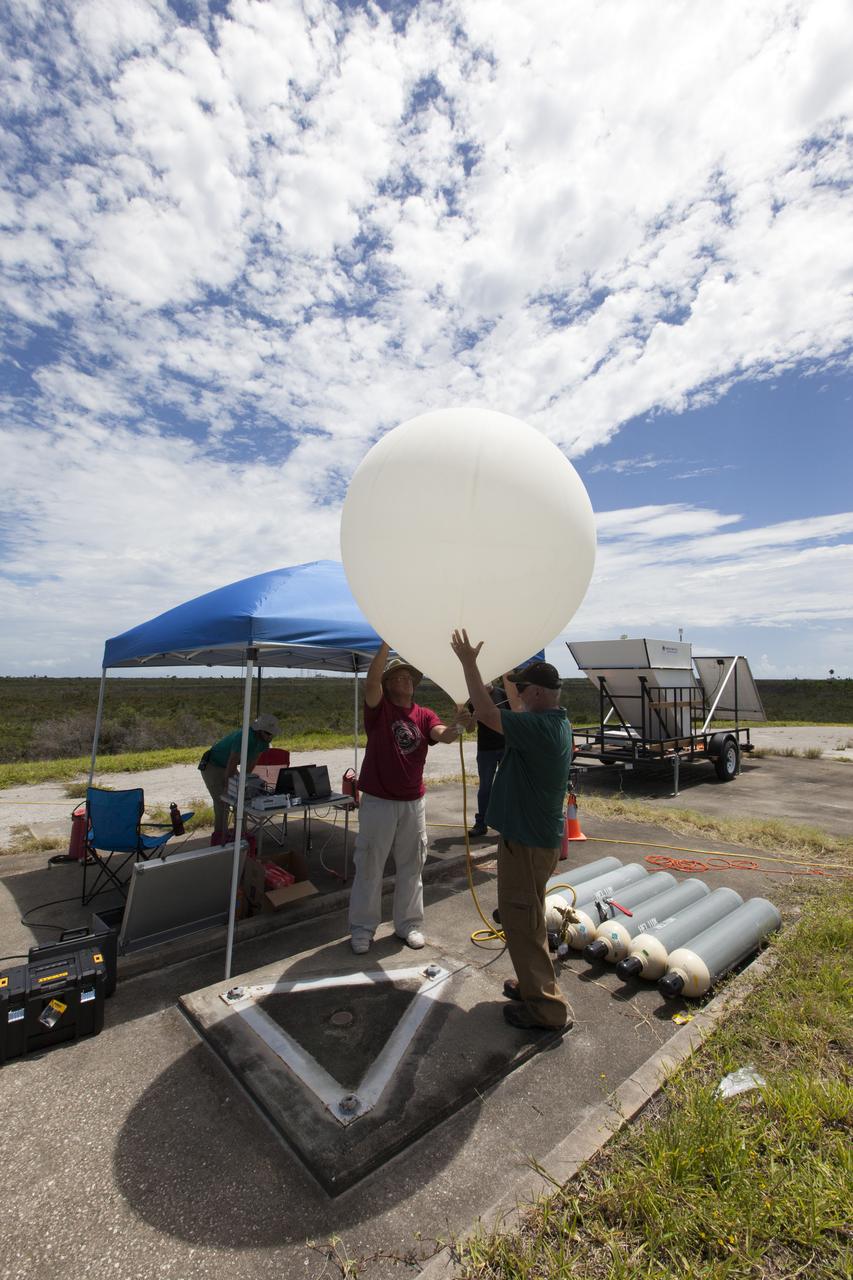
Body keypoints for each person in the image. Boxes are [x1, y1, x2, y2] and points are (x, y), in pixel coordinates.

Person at [451, 631, 572, 1031]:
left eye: (522, 690)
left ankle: (546, 1009)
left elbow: (488, 715)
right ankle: (532, 984)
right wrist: (507, 675)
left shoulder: (538, 729)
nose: (517, 695)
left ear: (537, 692)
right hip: (537, 840)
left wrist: (469, 664)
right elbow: (515, 704)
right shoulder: (553, 721)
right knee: (530, 918)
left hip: (527, 842)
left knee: (521, 920)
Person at [348, 641, 465, 955]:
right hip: (378, 801)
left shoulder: (424, 714)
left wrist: (459, 725)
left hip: (413, 802)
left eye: (409, 677)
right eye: (397, 677)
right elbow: (370, 682)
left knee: (412, 866)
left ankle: (409, 925)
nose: (405, 680)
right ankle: (362, 929)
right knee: (370, 865)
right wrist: (388, 641)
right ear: (388, 684)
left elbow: (443, 734)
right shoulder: (380, 709)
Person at [199, 712, 279, 839]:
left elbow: (251, 763)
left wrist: (245, 782)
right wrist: (227, 785)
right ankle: (220, 837)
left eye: (272, 734)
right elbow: (232, 762)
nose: (270, 737)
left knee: (243, 800)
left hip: (228, 766)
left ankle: (240, 834)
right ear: (259, 730)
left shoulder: (264, 742)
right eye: (268, 733)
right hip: (212, 765)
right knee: (222, 802)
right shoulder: (244, 737)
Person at [467, 681, 509, 838]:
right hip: (485, 750)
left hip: (505, 747)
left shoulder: (503, 694)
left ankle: (507, 823)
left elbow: (515, 717)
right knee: (485, 787)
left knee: (507, 786)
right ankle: (481, 824)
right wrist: (473, 718)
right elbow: (469, 729)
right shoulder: (474, 698)